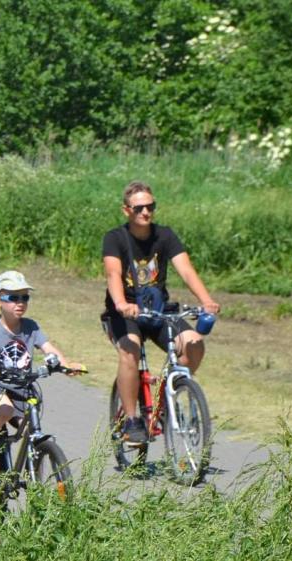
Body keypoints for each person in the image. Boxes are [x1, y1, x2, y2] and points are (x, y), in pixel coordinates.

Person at [102, 181, 220, 445]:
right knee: (129, 351)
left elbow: (186, 270)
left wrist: (207, 300)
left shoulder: (164, 235)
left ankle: (165, 397)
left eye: (150, 206)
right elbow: (113, 273)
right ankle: (132, 420)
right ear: (126, 210)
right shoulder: (115, 238)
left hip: (157, 312)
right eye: (139, 208)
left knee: (194, 343)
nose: (145, 212)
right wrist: (121, 303)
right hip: (125, 314)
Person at [0, 270, 80, 469]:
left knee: (32, 426)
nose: (20, 302)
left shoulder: (31, 327)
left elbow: (50, 350)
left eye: (25, 297)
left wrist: (65, 365)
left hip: (23, 387)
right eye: (13, 297)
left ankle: (32, 467)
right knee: (5, 410)